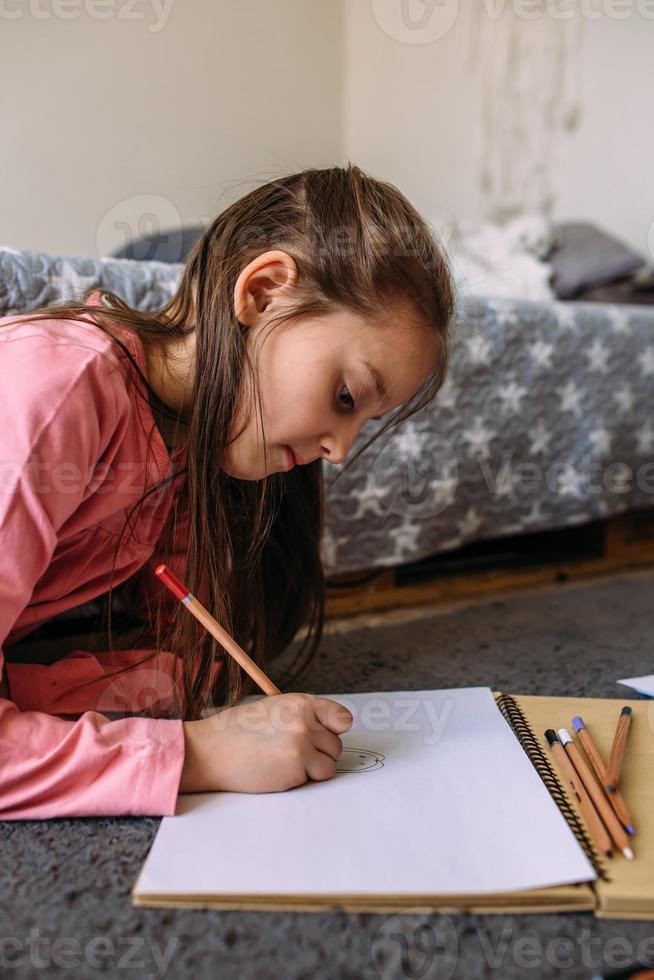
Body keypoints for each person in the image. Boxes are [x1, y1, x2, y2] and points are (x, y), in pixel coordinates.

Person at [0, 164, 454, 818]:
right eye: (346, 396)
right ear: (265, 292)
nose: (341, 451)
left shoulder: (185, 449)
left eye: (362, 421)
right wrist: (198, 755)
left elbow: (196, 656)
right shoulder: (59, 386)